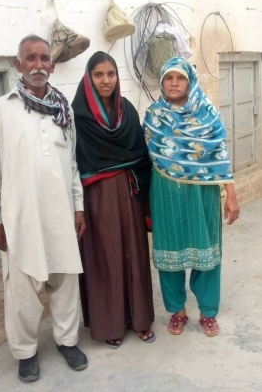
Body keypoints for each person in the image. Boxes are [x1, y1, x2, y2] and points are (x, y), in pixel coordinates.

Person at [0, 35, 88, 382]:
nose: (38, 64)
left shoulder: (64, 111)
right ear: (18, 65)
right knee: (22, 291)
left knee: (64, 281)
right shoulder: (2, 108)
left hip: (59, 214)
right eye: (30, 58)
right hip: (19, 218)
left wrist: (78, 207)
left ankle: (67, 341)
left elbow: (71, 164)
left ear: (52, 66)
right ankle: (26, 353)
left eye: (44, 58)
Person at [143, 56, 240, 337]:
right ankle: (177, 311)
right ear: (162, 82)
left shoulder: (208, 113)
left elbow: (220, 154)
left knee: (206, 251)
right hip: (166, 191)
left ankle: (208, 312)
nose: (174, 83)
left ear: (189, 81)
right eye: (168, 78)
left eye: (180, 77)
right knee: (169, 251)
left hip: (203, 193)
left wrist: (231, 195)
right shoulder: (153, 116)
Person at [72, 51, 155, 348]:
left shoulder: (128, 111)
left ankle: (140, 319)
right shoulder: (78, 115)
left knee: (132, 253)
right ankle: (112, 323)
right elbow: (74, 162)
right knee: (105, 257)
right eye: (98, 75)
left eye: (110, 74)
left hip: (128, 195)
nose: (105, 80)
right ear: (88, 77)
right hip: (97, 197)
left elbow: (140, 155)